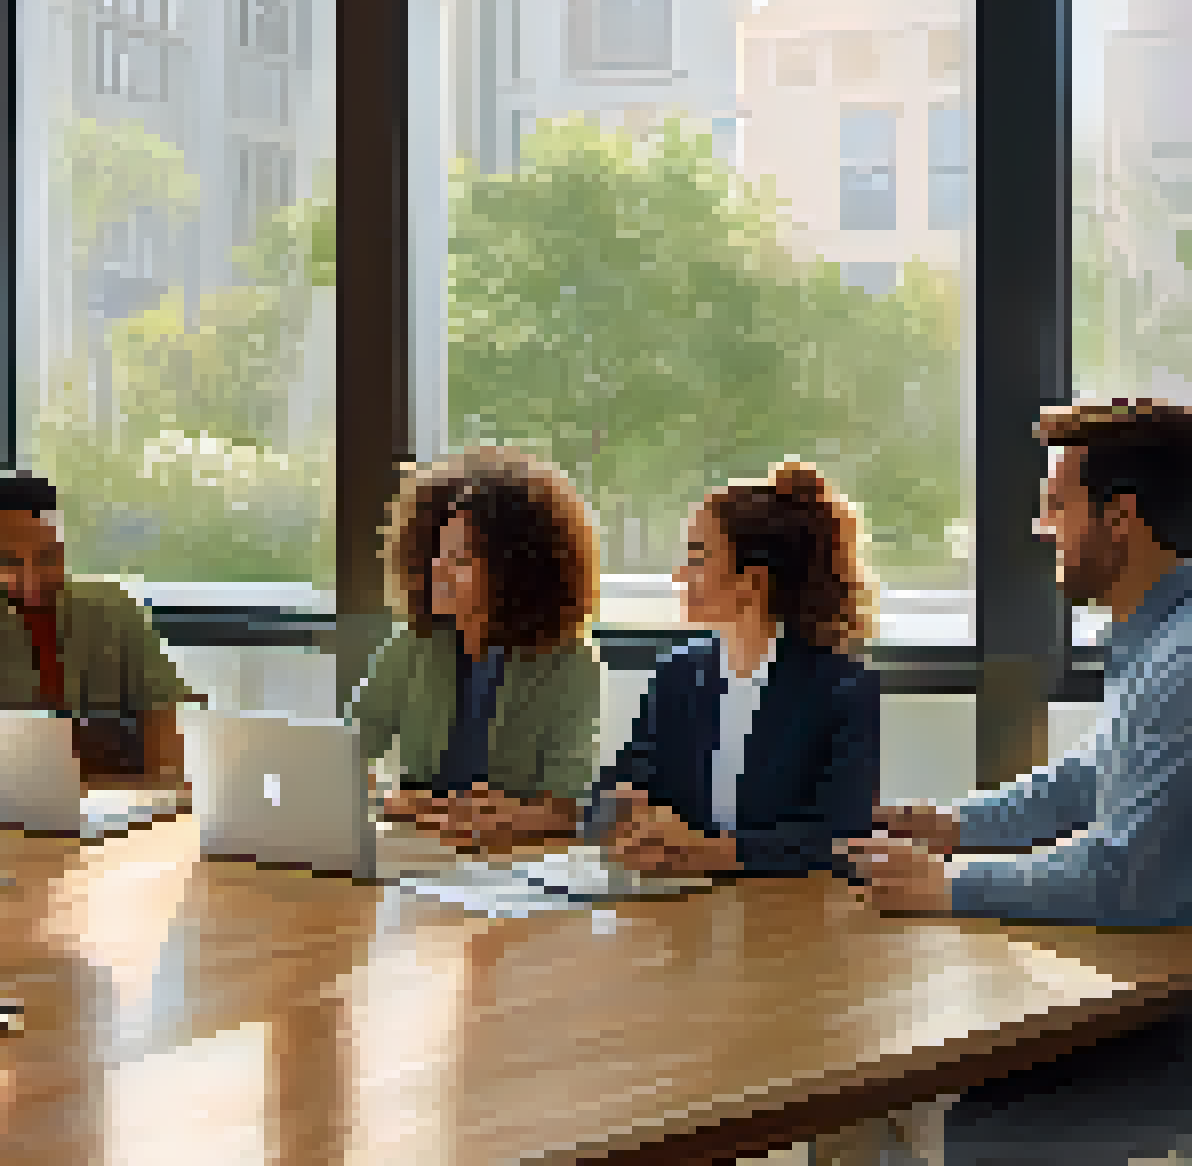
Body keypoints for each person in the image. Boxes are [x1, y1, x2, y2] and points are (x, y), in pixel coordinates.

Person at [841, 401, 1192, 1166]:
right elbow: (1079, 783)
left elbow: (1127, 873)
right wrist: (946, 825)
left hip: (1177, 1026)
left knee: (965, 1122)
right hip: (1150, 991)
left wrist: (950, 885)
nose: (1042, 530)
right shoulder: (1153, 640)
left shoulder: (1185, 660)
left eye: (1056, 505)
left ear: (1121, 517)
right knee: (903, 1081)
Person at [587, 459, 881, 878]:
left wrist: (708, 851)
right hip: (679, 912)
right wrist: (618, 812)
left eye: (698, 557)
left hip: (790, 917)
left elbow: (841, 840)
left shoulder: (842, 688)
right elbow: (614, 789)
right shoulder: (678, 675)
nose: (680, 574)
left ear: (753, 581)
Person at [346, 445, 603, 851]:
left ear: (514, 572)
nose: (438, 570)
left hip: (517, 868)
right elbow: (351, 747)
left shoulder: (569, 660)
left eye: (459, 559)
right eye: (436, 553)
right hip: (419, 856)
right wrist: (383, 799)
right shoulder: (415, 643)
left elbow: (569, 806)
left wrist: (500, 818)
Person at [0, 471, 200, 785]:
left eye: (46, 557)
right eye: (12, 562)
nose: (31, 579)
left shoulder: (117, 613)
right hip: (6, 806)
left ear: (64, 545)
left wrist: (163, 791)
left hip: (113, 799)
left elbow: (166, 713)